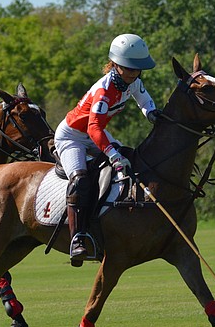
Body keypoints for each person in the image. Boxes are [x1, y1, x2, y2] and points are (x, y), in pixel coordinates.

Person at [54, 33, 161, 265]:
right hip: (73, 136)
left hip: (96, 134)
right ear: (115, 65)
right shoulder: (104, 91)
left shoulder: (133, 82)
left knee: (132, 159)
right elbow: (93, 129)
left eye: (138, 68)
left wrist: (152, 114)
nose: (134, 73)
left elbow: (144, 101)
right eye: (129, 68)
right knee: (80, 180)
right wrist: (113, 155)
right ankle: (78, 237)